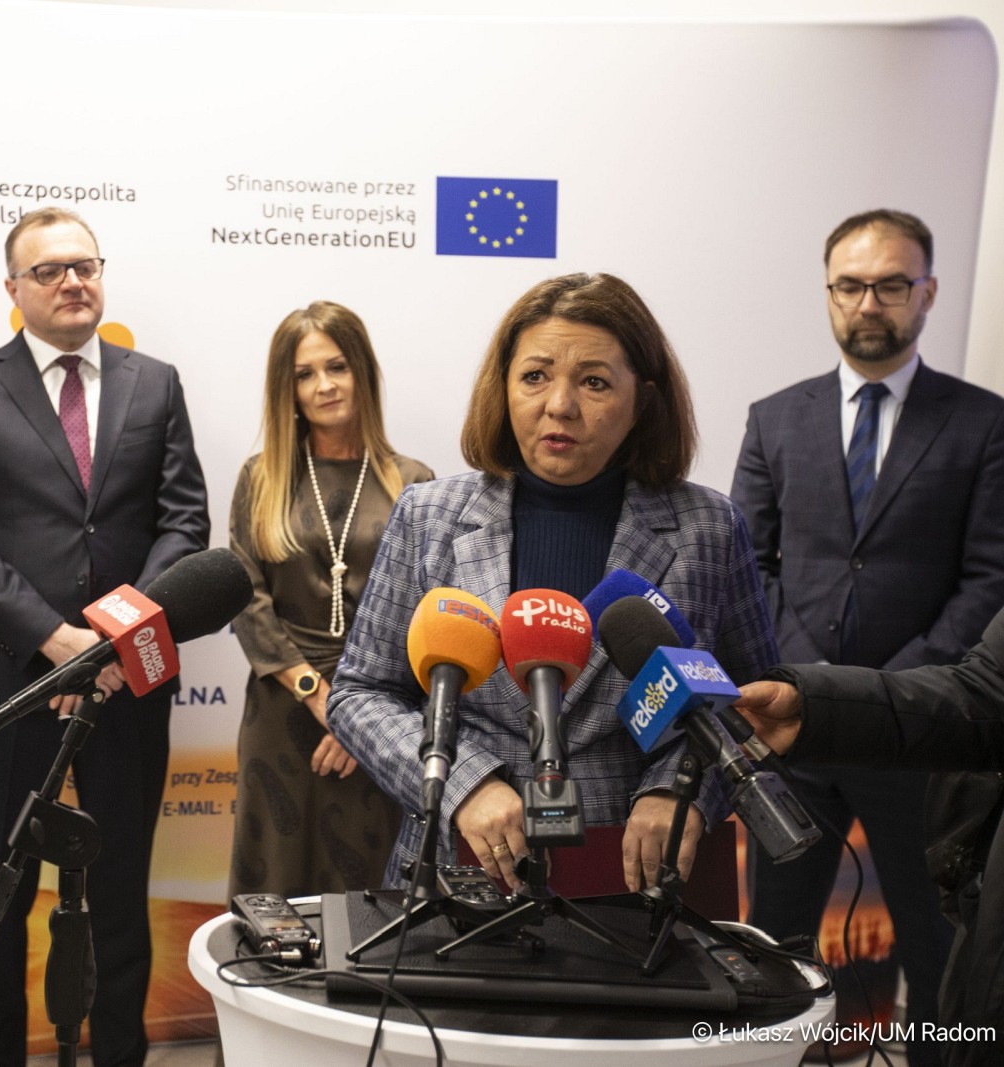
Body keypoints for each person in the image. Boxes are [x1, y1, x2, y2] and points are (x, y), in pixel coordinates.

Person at [327, 272, 776, 899]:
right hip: (462, 872)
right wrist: (464, 785)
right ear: (503, 385)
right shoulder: (429, 515)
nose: (559, 405)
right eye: (535, 376)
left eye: (594, 382)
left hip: (637, 877)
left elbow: (753, 705)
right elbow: (360, 693)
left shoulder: (708, 527)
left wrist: (683, 792)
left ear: (643, 399)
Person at [0, 207, 209, 1067]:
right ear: (13, 289)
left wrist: (115, 640)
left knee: (120, 892)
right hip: (9, 680)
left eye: (85, 265)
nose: (72, 281)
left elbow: (184, 522)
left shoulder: (155, 383)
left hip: (128, 682)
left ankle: (121, 1055)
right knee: (0, 898)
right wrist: (56, 640)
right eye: (48, 270)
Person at [730, 209, 1004, 1064]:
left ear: (928, 292)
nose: (868, 303)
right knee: (772, 950)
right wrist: (807, 676)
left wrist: (889, 691)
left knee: (934, 948)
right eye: (850, 285)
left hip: (920, 737)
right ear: (828, 293)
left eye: (890, 284)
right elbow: (746, 564)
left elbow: (990, 576)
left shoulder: (984, 423)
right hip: (795, 730)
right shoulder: (775, 417)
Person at [226, 302, 434, 900]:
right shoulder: (261, 477)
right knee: (277, 879)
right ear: (287, 389)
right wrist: (319, 696)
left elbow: (426, 613)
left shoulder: (414, 483)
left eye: (337, 366)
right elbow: (246, 598)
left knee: (371, 886)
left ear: (362, 371)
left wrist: (361, 719)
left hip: (385, 710)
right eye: (305, 374)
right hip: (282, 710)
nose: (324, 386)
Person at [734, 609, 1004, 1067]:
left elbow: (982, 582)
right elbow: (983, 692)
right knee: (774, 939)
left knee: (927, 945)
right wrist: (816, 704)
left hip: (907, 756)